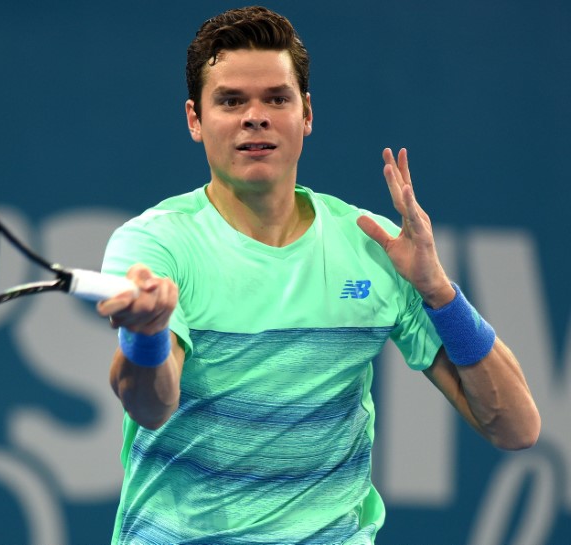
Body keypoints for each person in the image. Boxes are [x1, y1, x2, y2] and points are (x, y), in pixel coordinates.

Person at [96, 6, 541, 544]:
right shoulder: (155, 244)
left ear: (306, 113)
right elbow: (150, 406)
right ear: (195, 119)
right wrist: (146, 336)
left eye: (276, 99)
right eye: (231, 100)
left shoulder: (375, 245)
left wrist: (439, 294)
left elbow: (516, 428)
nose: (254, 116)